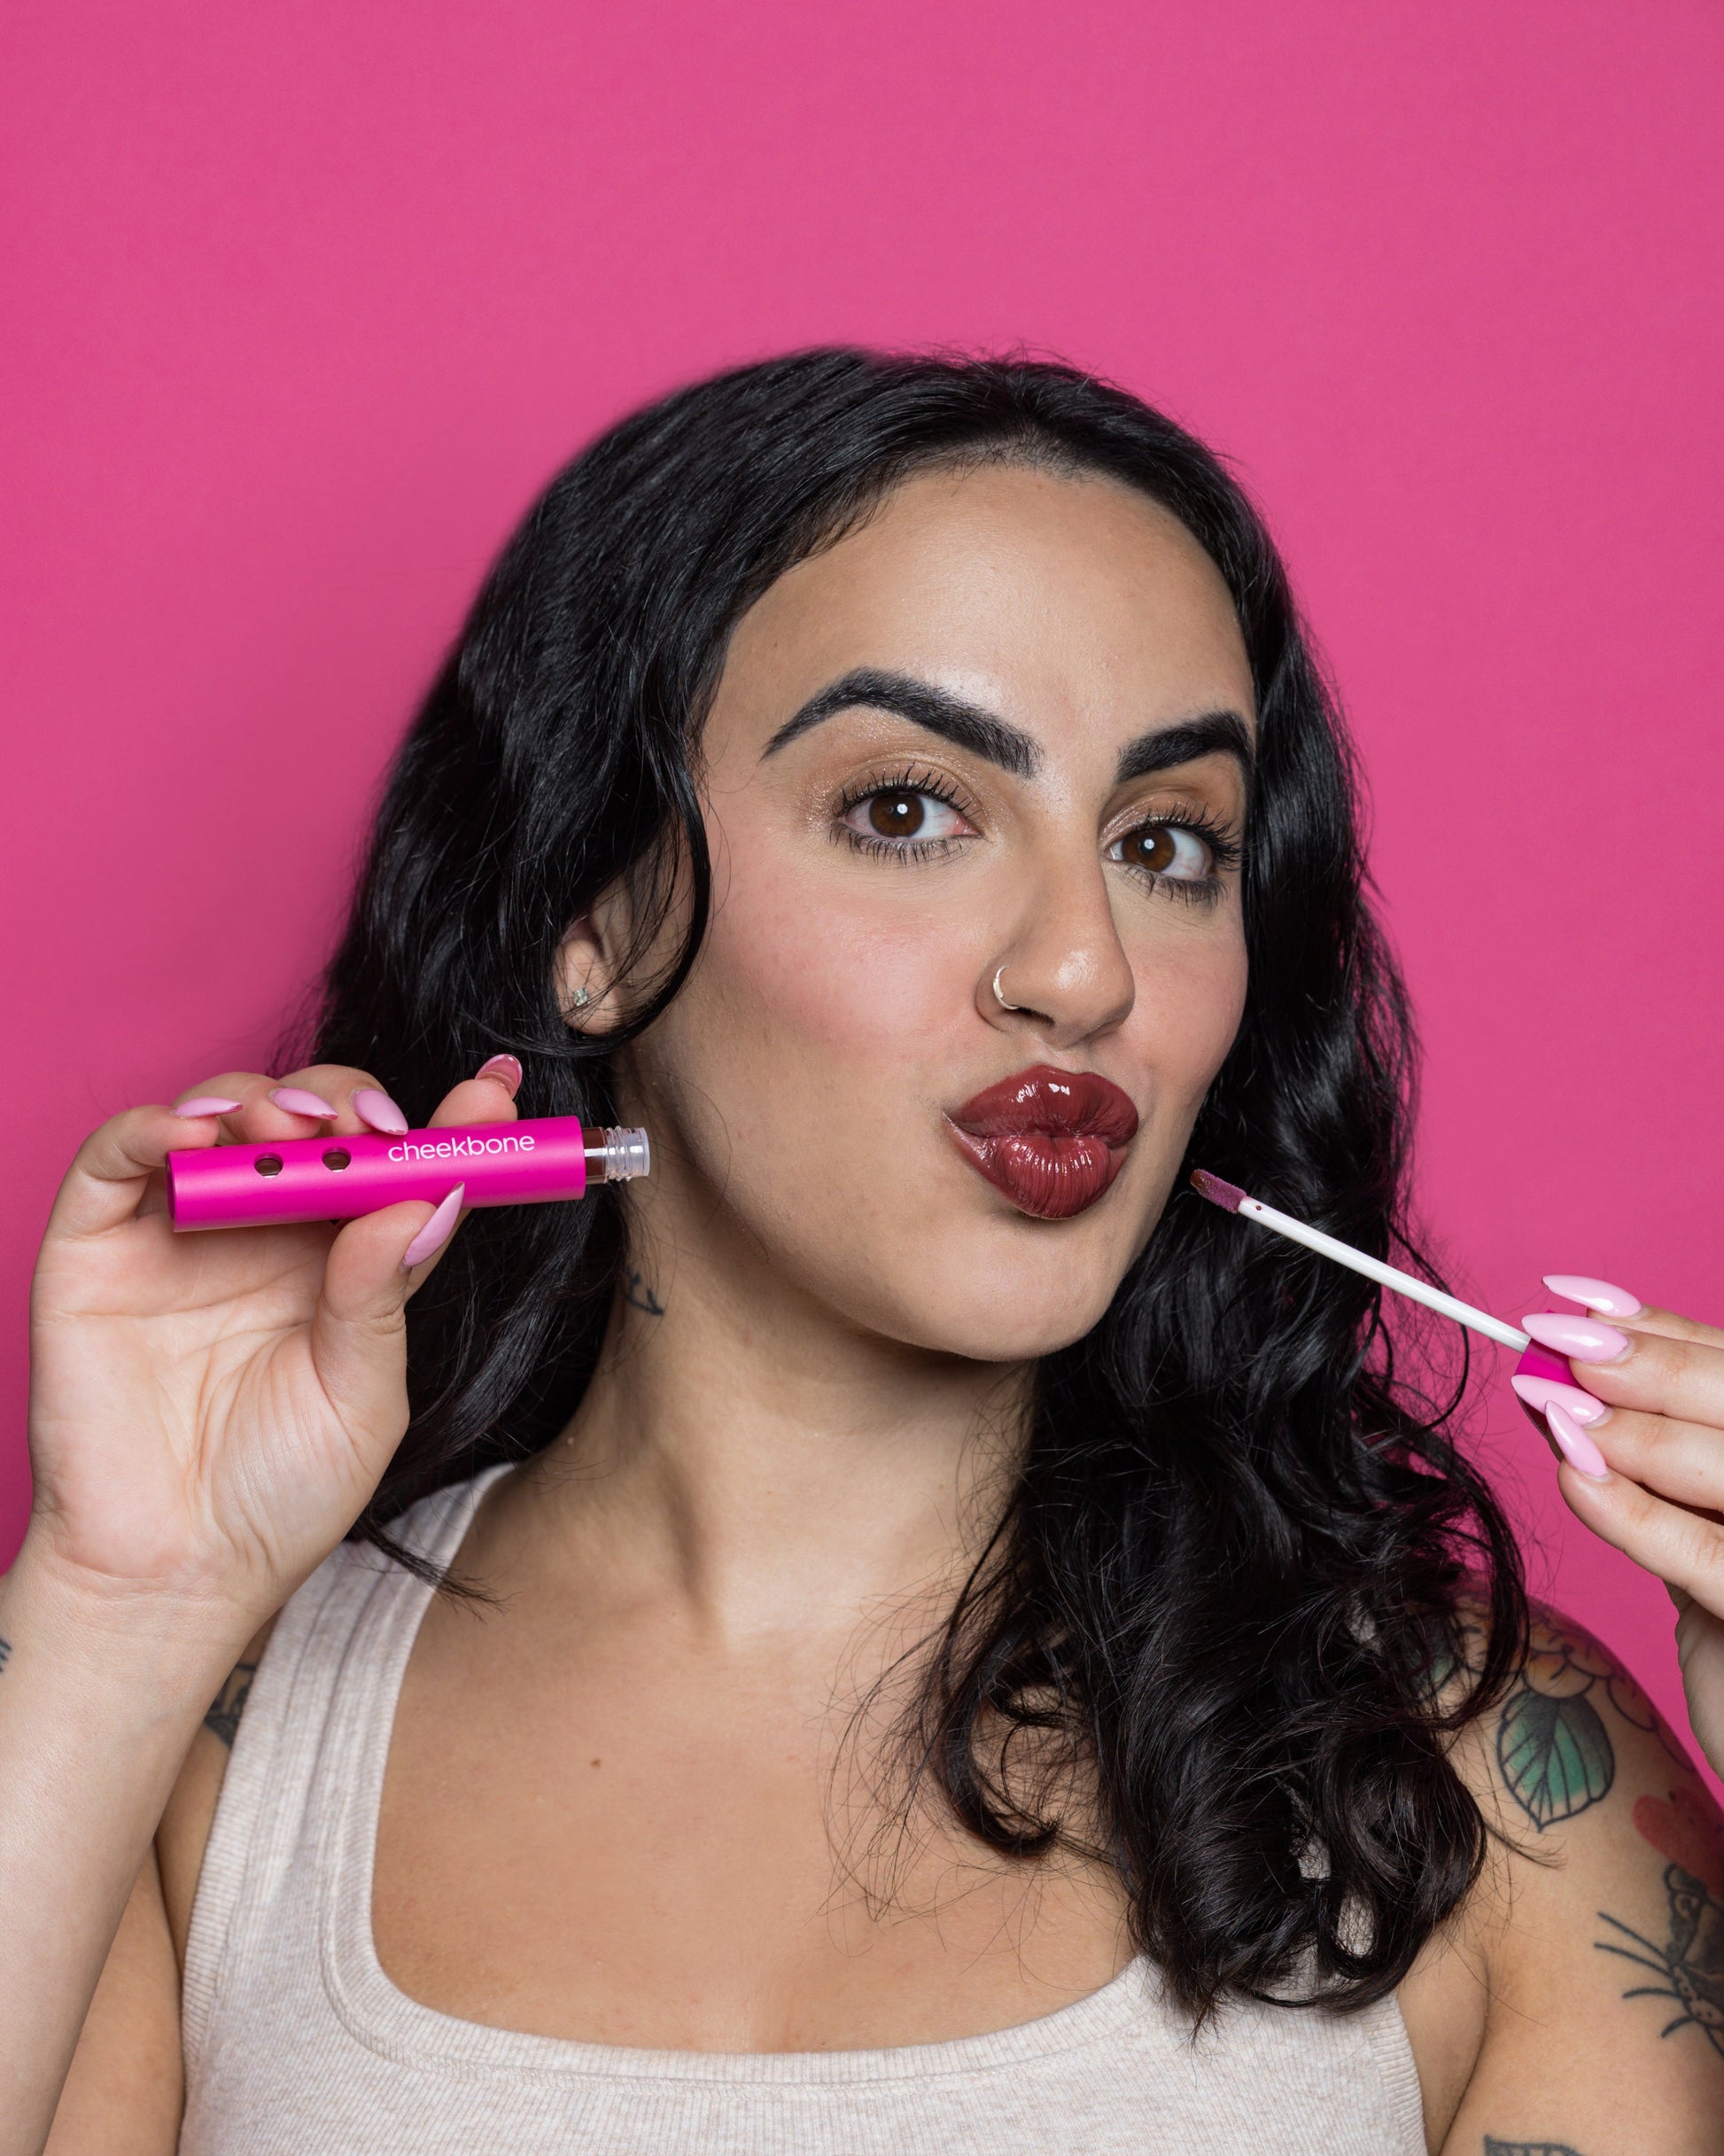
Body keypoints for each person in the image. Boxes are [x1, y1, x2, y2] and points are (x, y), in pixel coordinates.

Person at [4, 351, 1720, 2156]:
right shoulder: (192, 1750)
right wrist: (120, 1599)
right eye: (909, 809)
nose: (1083, 968)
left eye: (1164, 842)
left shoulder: (1483, 1775)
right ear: (599, 915)